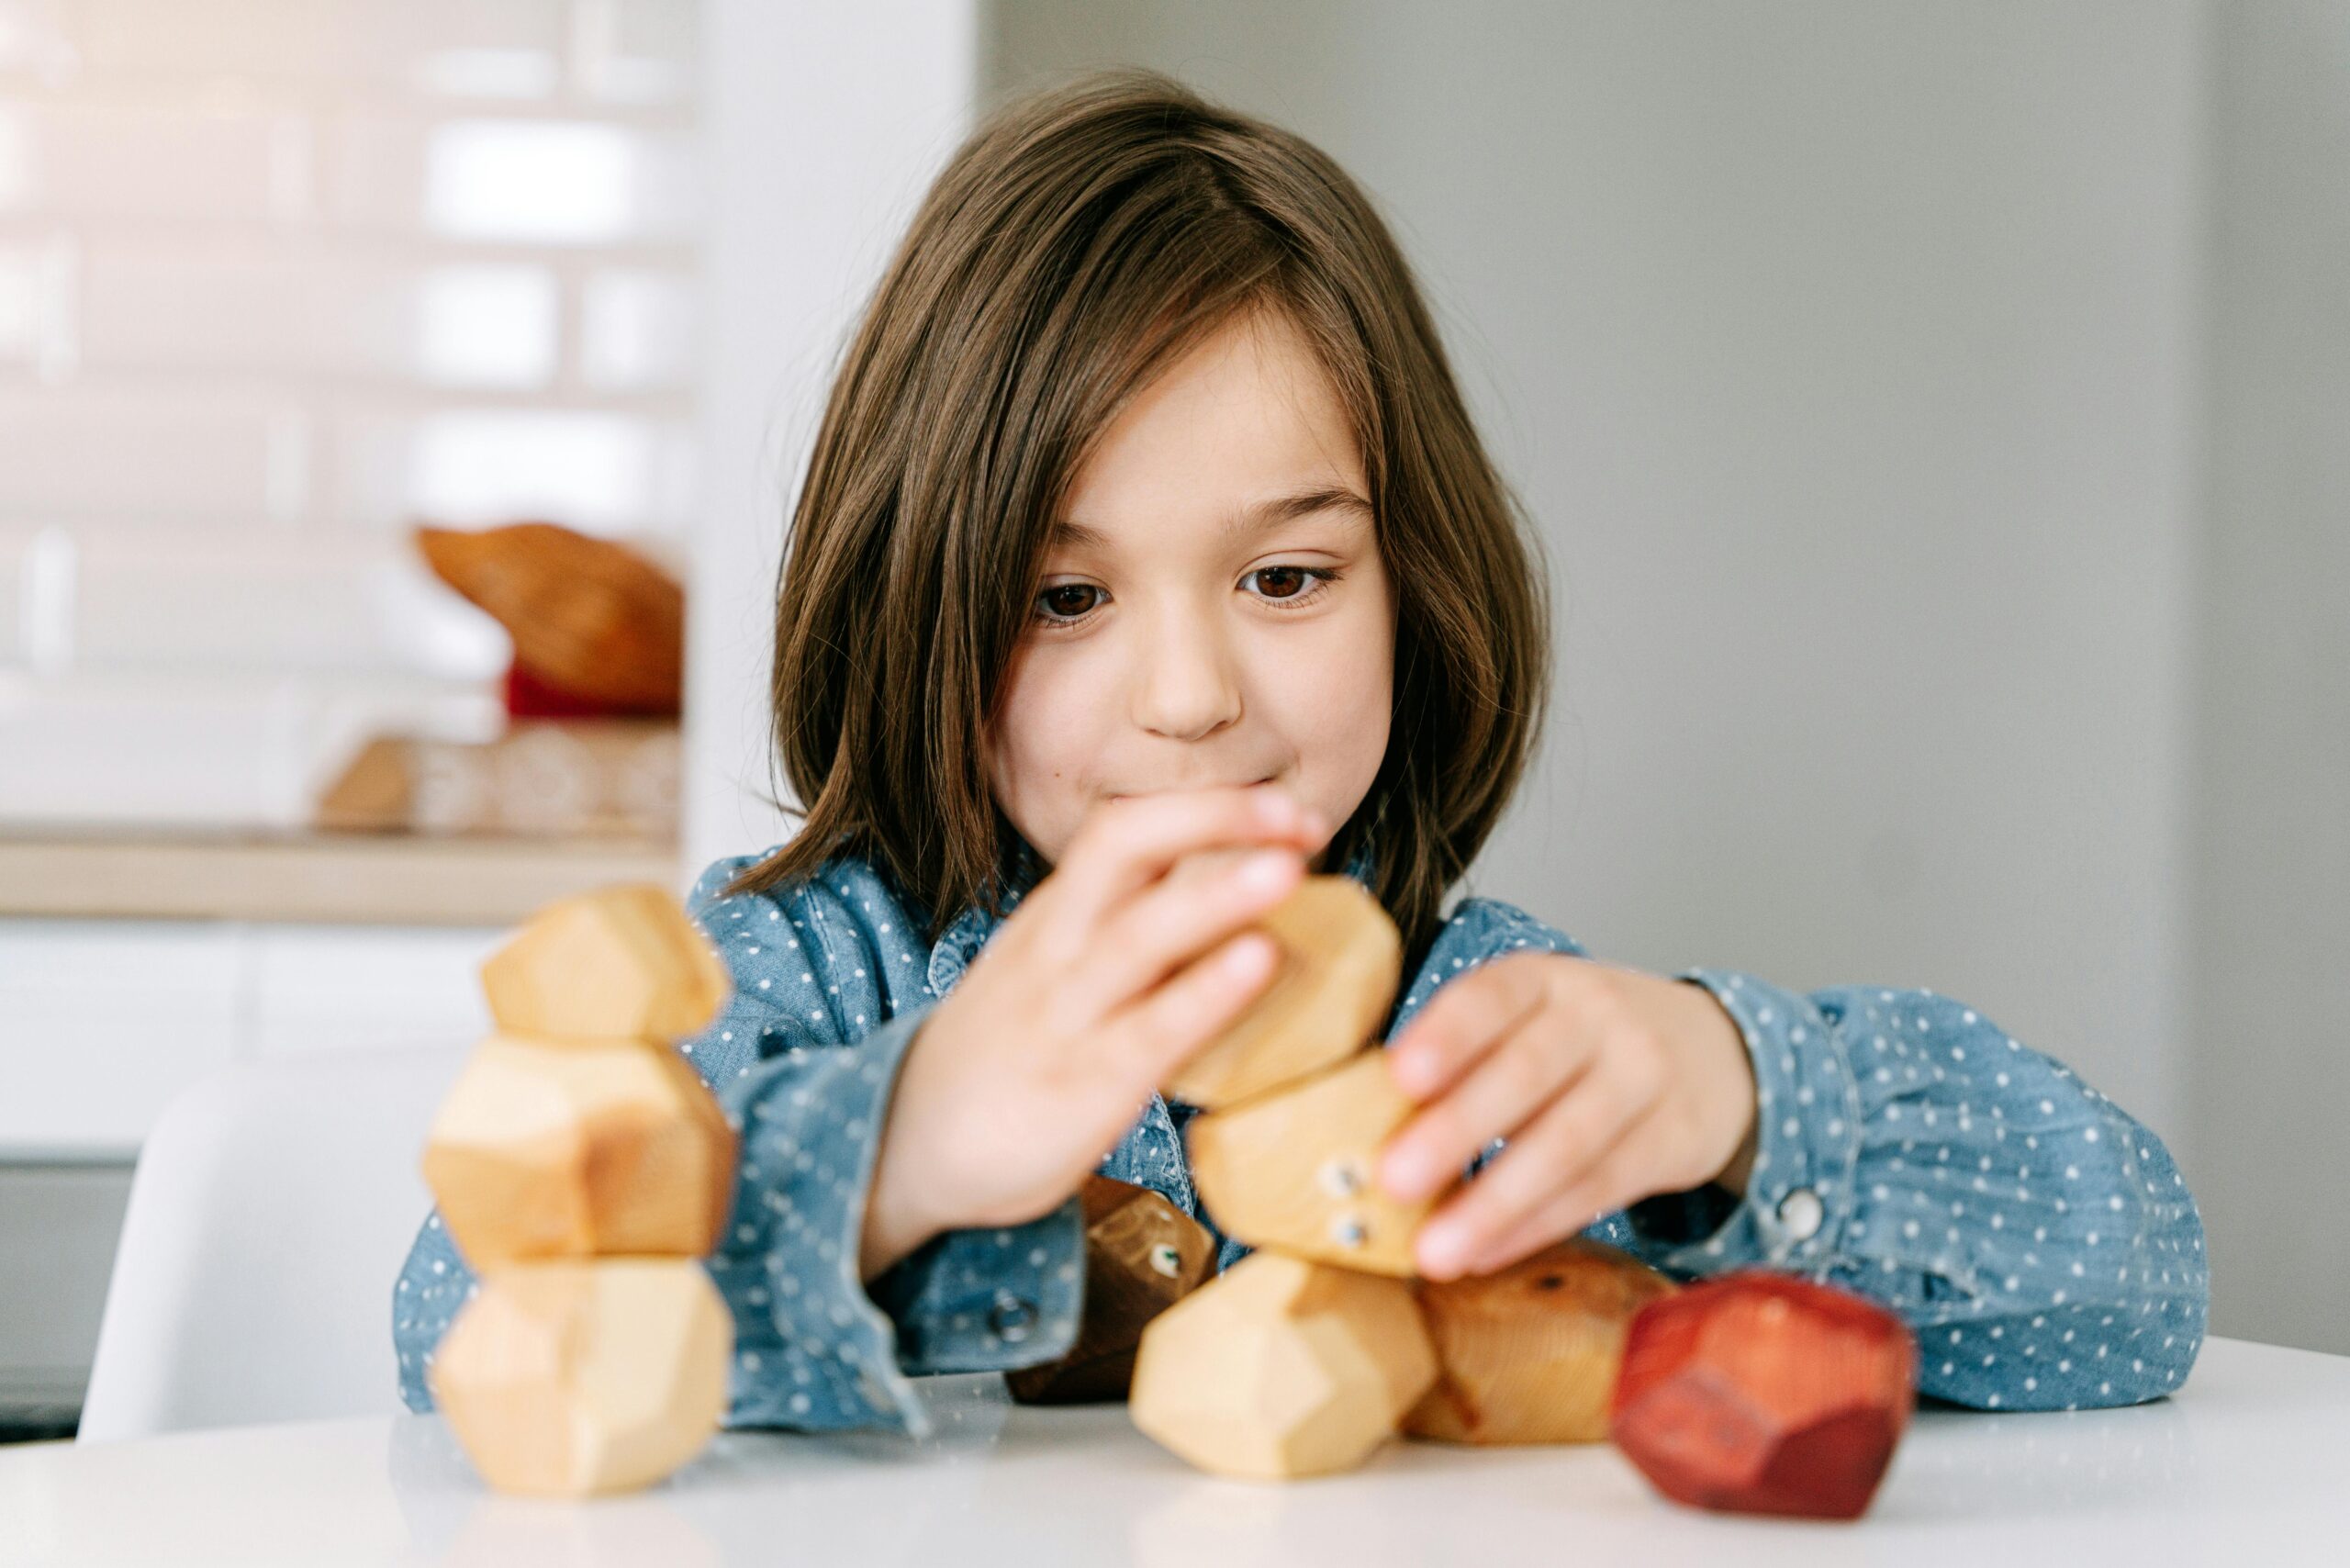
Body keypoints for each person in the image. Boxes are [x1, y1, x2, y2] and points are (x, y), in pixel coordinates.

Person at [395, 71, 2207, 1434]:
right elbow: (450, 1323)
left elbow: (2135, 1285)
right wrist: (907, 1145)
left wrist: (1735, 1090)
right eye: (1062, 594)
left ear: (1413, 590)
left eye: (1282, 575)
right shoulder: (790, 975)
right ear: (916, 607)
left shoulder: (1475, 1029)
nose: (1186, 695)